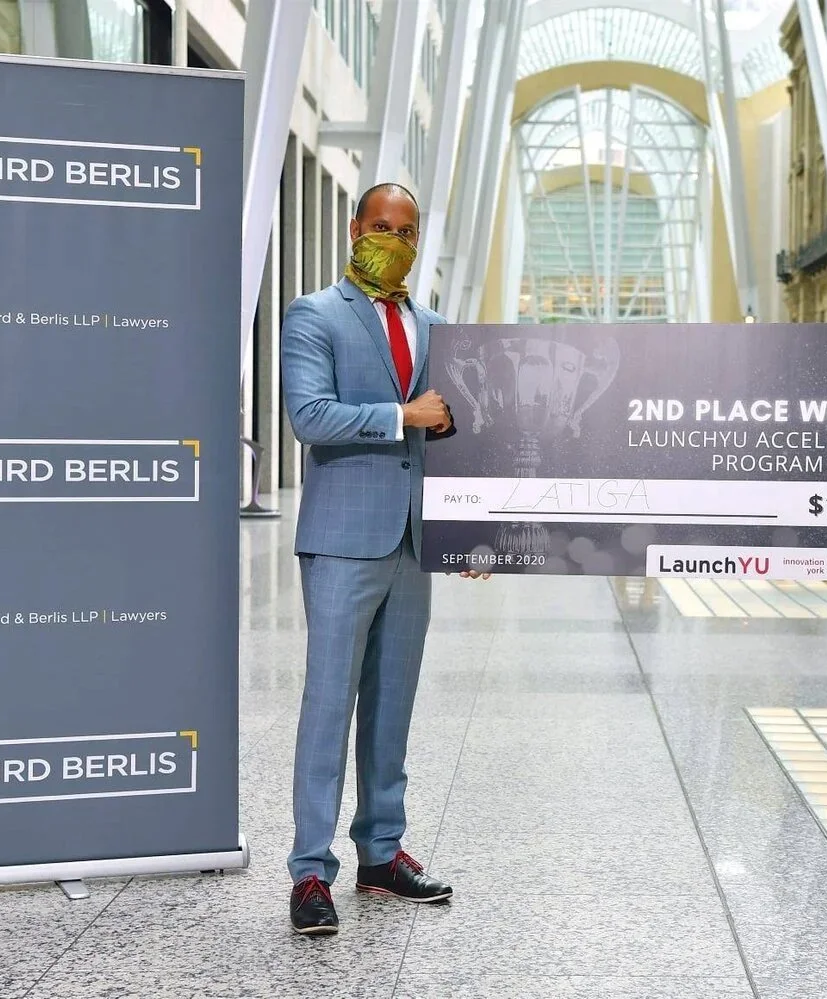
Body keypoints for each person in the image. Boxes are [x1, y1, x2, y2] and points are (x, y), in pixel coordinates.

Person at [280, 182, 486, 936]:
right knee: (329, 703)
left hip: (413, 544)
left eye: (405, 231)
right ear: (354, 229)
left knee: (393, 703)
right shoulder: (315, 314)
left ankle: (381, 852)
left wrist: (471, 530)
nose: (391, 241)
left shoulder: (435, 328)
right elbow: (309, 416)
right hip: (343, 539)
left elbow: (463, 438)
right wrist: (401, 413)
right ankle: (311, 869)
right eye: (380, 226)